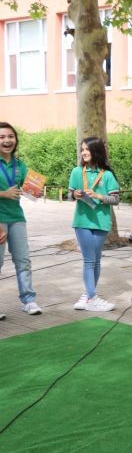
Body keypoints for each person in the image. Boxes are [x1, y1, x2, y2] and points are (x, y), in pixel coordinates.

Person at [68, 136, 120, 312]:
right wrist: (74, 194)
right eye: (82, 149)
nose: (83, 152)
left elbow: (116, 199)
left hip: (101, 222)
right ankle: (92, 297)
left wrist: (99, 196)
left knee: (96, 260)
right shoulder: (77, 172)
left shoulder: (107, 175)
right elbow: (69, 195)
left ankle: (87, 295)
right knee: (89, 260)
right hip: (82, 221)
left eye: (87, 149)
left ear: (96, 151)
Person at [0, 121, 42, 315]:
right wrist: (3, 194)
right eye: (2, 137)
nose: (7, 140)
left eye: (10, 136)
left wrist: (36, 191)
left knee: (23, 260)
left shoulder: (20, 165)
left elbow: (30, 191)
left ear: (15, 140)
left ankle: (28, 301)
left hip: (16, 218)